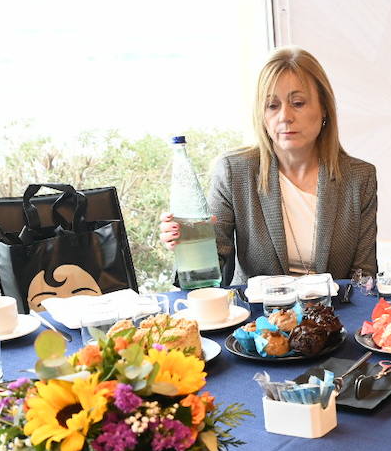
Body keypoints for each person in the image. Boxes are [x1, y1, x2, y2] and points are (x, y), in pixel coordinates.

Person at [159, 47, 377, 283]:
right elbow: (214, 270)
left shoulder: (359, 177)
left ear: (324, 107)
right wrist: (187, 246)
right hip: (258, 316)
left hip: (333, 315)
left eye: (298, 103)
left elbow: (363, 276)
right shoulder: (234, 172)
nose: (285, 116)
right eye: (272, 106)